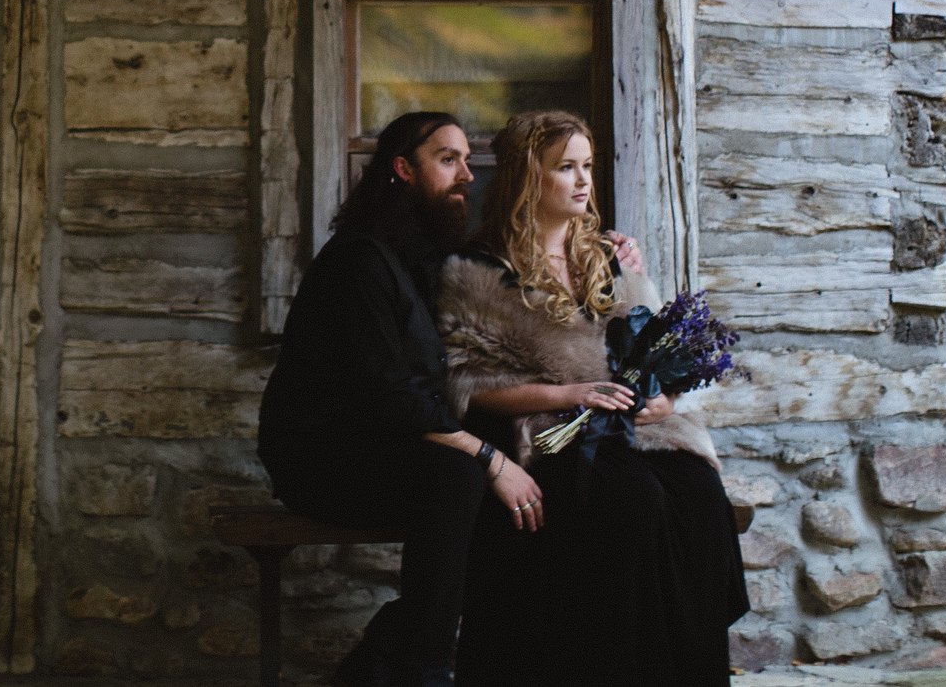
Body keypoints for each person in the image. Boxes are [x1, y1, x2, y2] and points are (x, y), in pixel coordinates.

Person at [437, 109, 748, 686]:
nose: (583, 181)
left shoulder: (604, 257)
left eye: (587, 167)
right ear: (529, 177)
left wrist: (663, 403)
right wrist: (570, 391)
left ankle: (690, 671)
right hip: (549, 434)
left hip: (626, 427)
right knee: (633, 503)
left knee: (700, 494)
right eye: (565, 168)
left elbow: (649, 351)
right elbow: (472, 386)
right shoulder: (481, 268)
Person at [258, 111, 544, 687]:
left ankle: (384, 664)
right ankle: (426, 667)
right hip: (323, 461)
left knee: (520, 477)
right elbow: (389, 395)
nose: (467, 174)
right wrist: (489, 460)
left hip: (393, 449)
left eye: (467, 159)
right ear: (402, 169)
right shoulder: (358, 261)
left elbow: (513, 273)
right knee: (465, 476)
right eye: (448, 159)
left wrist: (608, 252)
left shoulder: (422, 260)